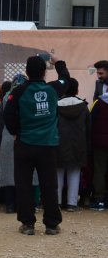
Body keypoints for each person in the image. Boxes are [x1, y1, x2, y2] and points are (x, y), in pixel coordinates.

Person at [4, 56, 69, 235]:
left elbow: (8, 113)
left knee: (23, 184)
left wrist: (15, 131)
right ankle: (51, 224)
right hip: (48, 145)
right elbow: (66, 79)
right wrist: (59, 64)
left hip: (24, 143)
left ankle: (27, 224)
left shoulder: (18, 91)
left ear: (26, 71)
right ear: (44, 71)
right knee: (49, 184)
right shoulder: (54, 89)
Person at [56, 78, 90, 211]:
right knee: (75, 173)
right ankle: (72, 203)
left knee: (57, 173)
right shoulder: (83, 106)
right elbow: (88, 128)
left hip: (58, 143)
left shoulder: (56, 105)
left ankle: (56, 202)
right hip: (78, 145)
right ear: (77, 90)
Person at [90, 60, 108, 210]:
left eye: (101, 73)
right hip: (101, 137)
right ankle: (100, 197)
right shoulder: (98, 85)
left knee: (100, 168)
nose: (99, 76)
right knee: (100, 168)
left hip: (100, 137)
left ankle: (100, 198)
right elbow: (95, 101)